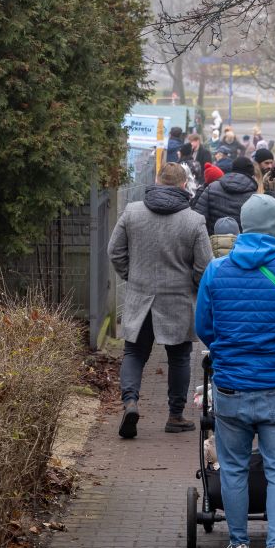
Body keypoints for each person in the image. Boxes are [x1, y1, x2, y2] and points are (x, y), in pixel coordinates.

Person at [195, 195, 275, 548]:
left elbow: (204, 327)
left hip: (231, 387)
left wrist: (229, 348)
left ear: (244, 227)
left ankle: (239, 545)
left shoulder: (215, 271)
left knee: (231, 468)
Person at [107, 163, 213, 438]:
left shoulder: (132, 212)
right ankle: (175, 416)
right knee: (179, 357)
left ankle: (130, 401)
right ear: (183, 185)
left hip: (140, 295)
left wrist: (132, 275)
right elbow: (205, 266)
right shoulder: (193, 220)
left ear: (157, 181)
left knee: (134, 352)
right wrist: (193, 286)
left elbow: (114, 251)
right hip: (178, 298)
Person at [193, 157, 258, 233]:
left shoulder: (212, 187)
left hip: (212, 241)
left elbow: (197, 219)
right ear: (251, 174)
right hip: (240, 243)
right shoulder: (254, 197)